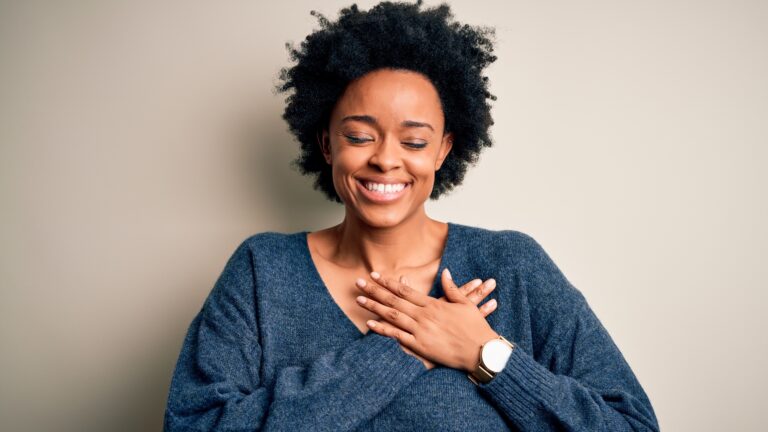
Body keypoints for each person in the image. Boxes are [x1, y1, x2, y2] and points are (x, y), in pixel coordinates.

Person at [163, 1, 660, 431]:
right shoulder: (262, 271)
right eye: (359, 136)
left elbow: (631, 424)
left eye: (415, 141)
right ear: (326, 143)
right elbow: (194, 424)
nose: (385, 158)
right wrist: (398, 352)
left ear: (443, 150)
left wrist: (486, 355)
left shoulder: (510, 264)